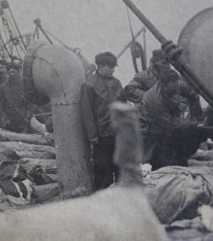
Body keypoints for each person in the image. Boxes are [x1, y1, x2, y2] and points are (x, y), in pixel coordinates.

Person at [139, 69, 213, 170]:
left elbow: (193, 95)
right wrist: (193, 126)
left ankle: (181, 160)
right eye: (172, 90)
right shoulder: (155, 100)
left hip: (169, 120)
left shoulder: (177, 84)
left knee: (182, 138)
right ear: (163, 85)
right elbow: (169, 125)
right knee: (159, 160)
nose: (176, 91)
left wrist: (196, 117)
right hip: (151, 129)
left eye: (176, 89)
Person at [80, 51, 126, 191]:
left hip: (117, 133)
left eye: (114, 67)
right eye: (110, 66)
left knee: (120, 168)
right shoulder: (89, 85)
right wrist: (92, 135)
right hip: (101, 136)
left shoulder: (117, 83)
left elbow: (123, 105)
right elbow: (86, 112)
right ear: (100, 66)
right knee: (102, 171)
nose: (112, 69)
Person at [124, 49, 202, 120]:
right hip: (150, 119)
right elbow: (129, 90)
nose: (167, 66)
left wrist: (178, 105)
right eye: (164, 63)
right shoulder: (143, 76)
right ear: (155, 62)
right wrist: (151, 99)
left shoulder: (174, 78)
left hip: (171, 119)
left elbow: (189, 93)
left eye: (168, 63)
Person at [0, 62, 34, 133]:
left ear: (18, 72)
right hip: (10, 120)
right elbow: (0, 106)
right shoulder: (3, 87)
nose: (12, 74)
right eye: (10, 72)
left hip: (23, 119)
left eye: (14, 72)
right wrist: (4, 118)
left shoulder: (25, 86)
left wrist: (27, 117)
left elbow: (31, 104)